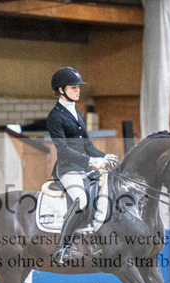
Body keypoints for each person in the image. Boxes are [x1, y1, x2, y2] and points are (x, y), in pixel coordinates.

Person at [47, 66, 118, 264]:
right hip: (67, 169)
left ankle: (92, 241)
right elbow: (63, 149)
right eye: (73, 87)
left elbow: (87, 145)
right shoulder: (55, 117)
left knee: (102, 196)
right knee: (81, 200)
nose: (78, 90)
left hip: (83, 169)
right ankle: (62, 249)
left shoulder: (77, 114)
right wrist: (90, 161)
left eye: (78, 87)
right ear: (61, 90)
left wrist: (105, 156)